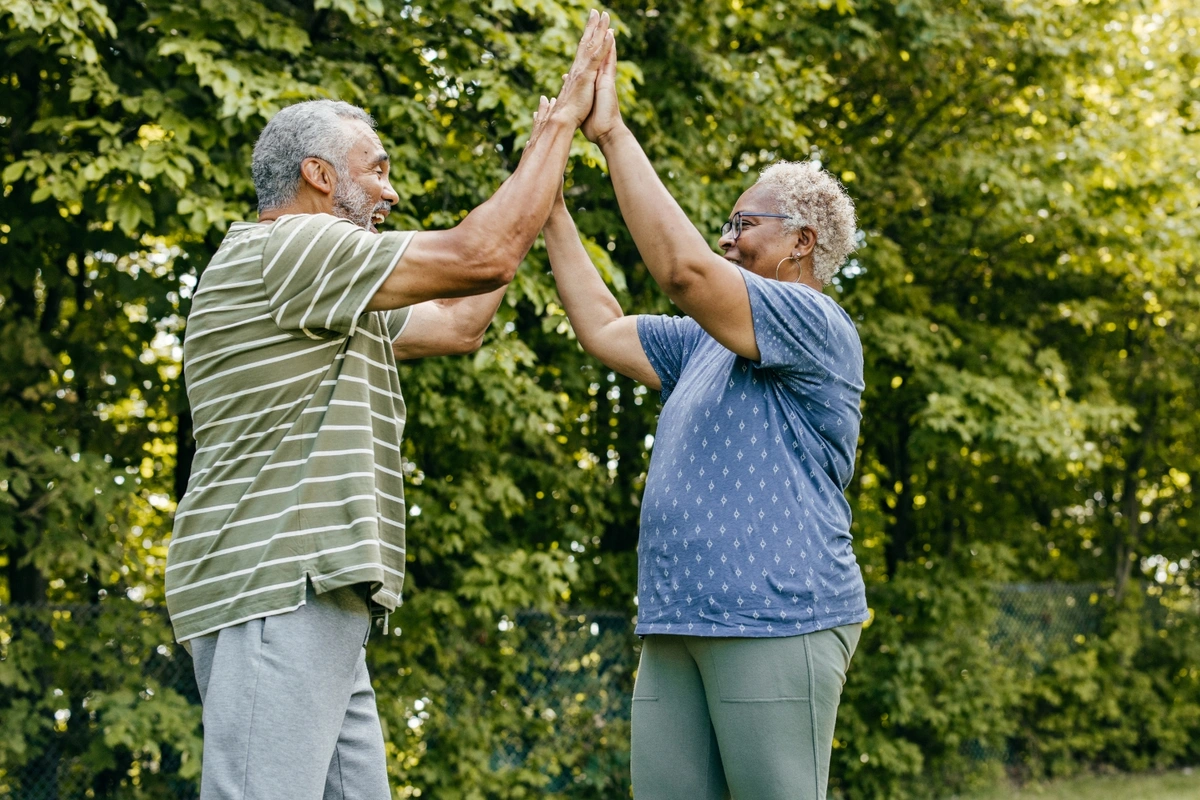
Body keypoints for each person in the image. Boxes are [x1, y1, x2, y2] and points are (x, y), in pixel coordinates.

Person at [165, 12, 614, 799]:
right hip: (275, 580)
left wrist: (539, 186)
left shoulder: (328, 289)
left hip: (320, 592)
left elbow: (462, 320)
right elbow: (481, 253)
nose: (391, 190)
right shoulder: (290, 251)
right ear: (318, 175)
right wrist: (563, 124)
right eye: (375, 170)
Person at [543, 40, 867, 800]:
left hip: (776, 616)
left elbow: (686, 272)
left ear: (801, 242)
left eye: (743, 223)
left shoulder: (814, 322)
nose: (726, 237)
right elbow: (602, 328)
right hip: (676, 617)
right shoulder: (703, 346)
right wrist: (551, 209)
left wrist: (613, 134)